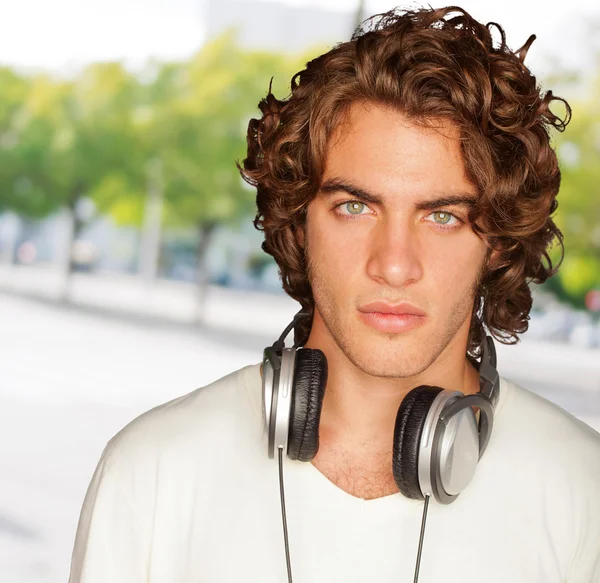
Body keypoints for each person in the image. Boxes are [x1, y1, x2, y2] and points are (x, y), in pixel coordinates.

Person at [68, 6, 600, 583]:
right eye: (355, 207)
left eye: (442, 216)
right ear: (298, 223)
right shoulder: (151, 473)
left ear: (497, 243)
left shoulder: (582, 491)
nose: (394, 265)